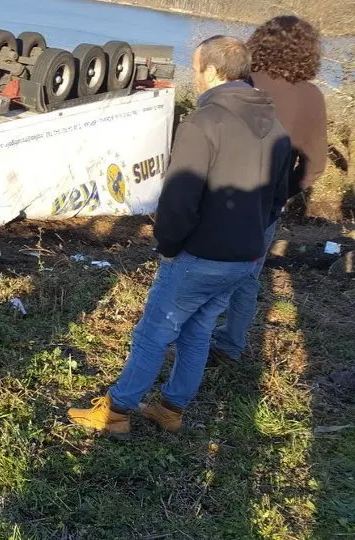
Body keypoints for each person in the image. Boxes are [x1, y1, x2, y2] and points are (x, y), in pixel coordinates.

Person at [67, 36, 293, 437]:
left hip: (199, 256)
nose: (195, 75)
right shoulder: (276, 129)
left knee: (153, 333)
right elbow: (278, 199)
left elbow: (178, 198)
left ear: (213, 71)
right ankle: (171, 409)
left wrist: (169, 246)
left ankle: (117, 412)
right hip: (245, 257)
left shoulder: (204, 123)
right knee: (198, 331)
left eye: (196, 67)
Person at [212, 16, 328, 362]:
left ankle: (192, 338)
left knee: (204, 270)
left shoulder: (240, 83)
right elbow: (314, 165)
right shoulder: (312, 97)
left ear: (259, 42)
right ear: (309, 52)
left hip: (220, 195)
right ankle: (230, 344)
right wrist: (281, 192)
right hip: (264, 206)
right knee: (246, 278)